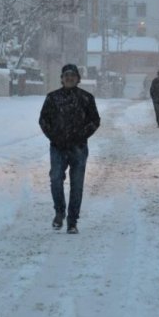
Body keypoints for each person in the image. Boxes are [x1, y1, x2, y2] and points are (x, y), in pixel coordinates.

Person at [39, 64, 101, 234]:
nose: (69, 78)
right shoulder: (52, 98)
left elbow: (94, 120)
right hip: (58, 147)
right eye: (66, 75)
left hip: (78, 147)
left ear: (78, 78)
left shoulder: (86, 98)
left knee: (77, 184)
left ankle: (72, 221)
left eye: (72, 75)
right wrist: (54, 137)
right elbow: (43, 120)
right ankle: (59, 212)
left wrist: (81, 136)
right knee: (56, 179)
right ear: (62, 78)